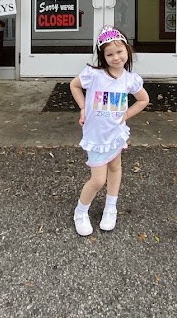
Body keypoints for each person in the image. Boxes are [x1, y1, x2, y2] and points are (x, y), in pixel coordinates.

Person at [68, 26, 150, 235]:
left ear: (127, 51)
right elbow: (74, 85)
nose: (116, 57)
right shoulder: (93, 75)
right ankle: (81, 211)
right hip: (96, 136)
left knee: (115, 167)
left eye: (119, 51)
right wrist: (83, 107)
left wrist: (126, 115)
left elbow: (143, 99)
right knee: (98, 179)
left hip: (115, 134)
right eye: (110, 54)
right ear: (103, 56)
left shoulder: (130, 79)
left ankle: (110, 207)